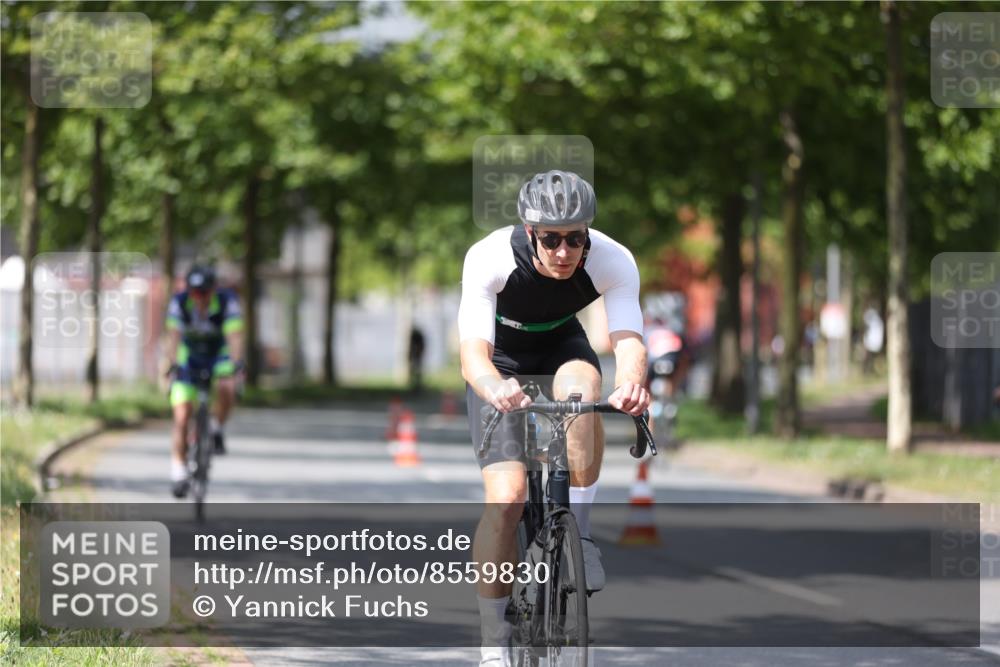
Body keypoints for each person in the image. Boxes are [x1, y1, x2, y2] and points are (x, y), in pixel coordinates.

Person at [458, 170, 650, 665]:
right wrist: (496, 389)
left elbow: (629, 339)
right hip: (500, 362)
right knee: (507, 499)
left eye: (575, 239)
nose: (564, 252)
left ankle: (579, 534)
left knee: (583, 394)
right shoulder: (490, 257)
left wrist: (632, 383)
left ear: (588, 234)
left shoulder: (613, 259)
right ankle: (493, 638)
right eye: (550, 240)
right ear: (530, 233)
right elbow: (473, 357)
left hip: (561, 345)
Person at [164, 266, 244, 498]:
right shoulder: (179, 302)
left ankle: (216, 427)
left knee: (227, 386)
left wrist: (237, 364)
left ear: (213, 290)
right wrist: (171, 364)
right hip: (189, 356)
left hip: (218, 354)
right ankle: (178, 471)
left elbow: (235, 337)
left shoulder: (227, 301)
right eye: (195, 292)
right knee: (182, 416)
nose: (199, 297)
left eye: (204, 293)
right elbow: (173, 337)